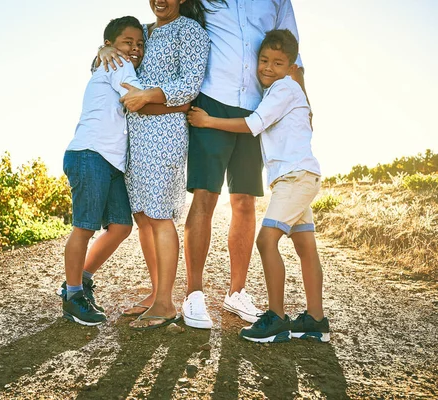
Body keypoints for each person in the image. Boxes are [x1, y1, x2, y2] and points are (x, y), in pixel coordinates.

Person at [187, 29, 329, 343]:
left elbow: (252, 125)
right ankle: (316, 320)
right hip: (299, 177)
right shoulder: (283, 91)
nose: (267, 67)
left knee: (266, 241)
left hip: (294, 179)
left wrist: (208, 121)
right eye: (263, 60)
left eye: (278, 63)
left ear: (292, 67)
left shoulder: (284, 89)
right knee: (305, 247)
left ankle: (276, 317)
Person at [99, 0, 210, 330]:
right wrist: (101, 50)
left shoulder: (190, 31)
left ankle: (165, 303)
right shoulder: (141, 33)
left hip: (165, 132)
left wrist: (148, 96)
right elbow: (115, 56)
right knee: (144, 216)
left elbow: (190, 84)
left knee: (160, 215)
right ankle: (155, 293)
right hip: (133, 134)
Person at [59, 16, 145, 326]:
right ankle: (72, 295)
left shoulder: (109, 61)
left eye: (139, 43)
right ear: (111, 45)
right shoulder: (118, 65)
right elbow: (136, 97)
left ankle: (80, 278)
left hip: (110, 161)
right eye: (128, 42)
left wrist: (102, 50)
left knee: (121, 226)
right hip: (90, 154)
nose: (135, 48)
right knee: (84, 227)